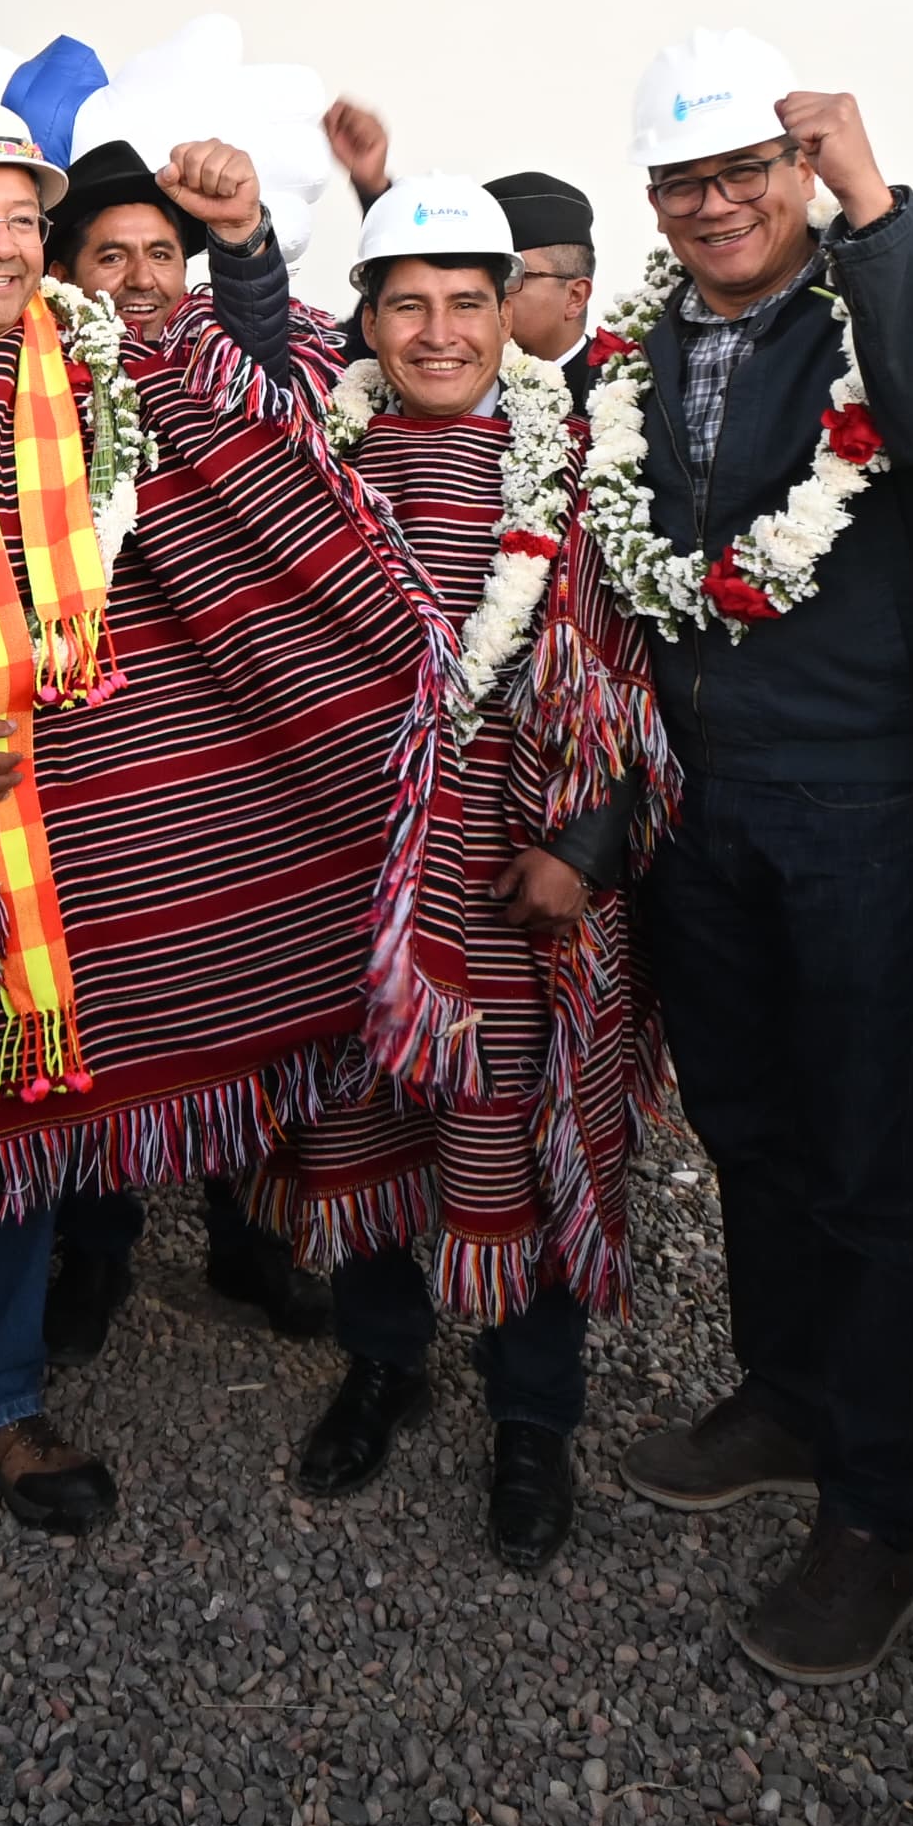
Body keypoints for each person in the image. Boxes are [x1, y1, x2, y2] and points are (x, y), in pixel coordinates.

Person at [0, 105, 444, 1596]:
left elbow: (261, 416)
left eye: (18, 218)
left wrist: (245, 247)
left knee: (36, 1102)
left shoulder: (109, 362)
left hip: (78, 816)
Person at [590, 30, 913, 1688]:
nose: (715, 206)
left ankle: (877, 1506)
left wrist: (875, 200)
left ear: (794, 172)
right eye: (682, 181)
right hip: (698, 797)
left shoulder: (868, 303)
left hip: (856, 797)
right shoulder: (632, 352)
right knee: (748, 1122)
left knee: (861, 1153)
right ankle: (785, 1396)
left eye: (744, 172)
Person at [261, 179, 672, 1570]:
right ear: (366, 319)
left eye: (465, 302)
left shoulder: (583, 464)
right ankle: (382, 1360)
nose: (437, 332)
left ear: (511, 313)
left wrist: (584, 846)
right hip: (352, 874)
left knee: (523, 1126)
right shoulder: (314, 465)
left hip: (520, 881)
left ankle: (532, 1413)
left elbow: (638, 669)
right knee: (359, 1115)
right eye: (407, 304)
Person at [34, 134, 333, 1358]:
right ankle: (94, 1246)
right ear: (63, 272)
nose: (143, 276)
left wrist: (244, 241)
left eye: (162, 251)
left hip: (228, 727)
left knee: (243, 961)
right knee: (103, 983)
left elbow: (270, 355)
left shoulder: (214, 362)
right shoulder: (24, 380)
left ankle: (246, 1228)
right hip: (89, 745)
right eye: (111, 254)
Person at [328, 98, 606, 388]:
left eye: (513, 278)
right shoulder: (433, 378)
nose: (439, 335)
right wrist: (375, 193)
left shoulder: (618, 395)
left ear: (575, 296)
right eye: (412, 306)